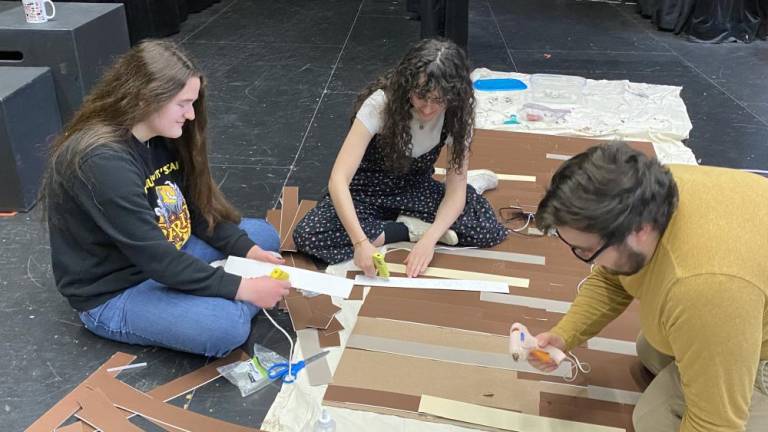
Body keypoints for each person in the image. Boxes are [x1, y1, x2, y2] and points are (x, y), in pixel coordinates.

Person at [42, 40, 290, 358]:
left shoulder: (162, 135)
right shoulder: (102, 162)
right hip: (117, 290)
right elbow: (158, 260)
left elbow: (198, 209)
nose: (189, 115)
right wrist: (245, 288)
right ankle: (221, 301)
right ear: (147, 99)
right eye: (182, 104)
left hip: (167, 250)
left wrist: (249, 252)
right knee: (225, 327)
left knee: (262, 238)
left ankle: (212, 293)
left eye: (192, 103)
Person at [530, 142, 768, 431]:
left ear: (640, 230)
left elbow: (716, 425)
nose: (584, 260)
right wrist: (564, 335)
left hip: (735, 314)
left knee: (653, 421)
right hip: (733, 302)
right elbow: (612, 277)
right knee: (653, 347)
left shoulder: (702, 289)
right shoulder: (648, 190)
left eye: (586, 250)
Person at [293, 38, 507, 277]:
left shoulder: (457, 113)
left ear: (453, 94)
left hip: (413, 188)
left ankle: (451, 203)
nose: (427, 109)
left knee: (486, 229)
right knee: (309, 236)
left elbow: (455, 191)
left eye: (438, 100)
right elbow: (339, 180)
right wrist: (360, 243)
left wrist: (429, 241)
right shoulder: (380, 104)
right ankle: (407, 229)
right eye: (420, 97)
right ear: (407, 85)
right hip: (365, 192)